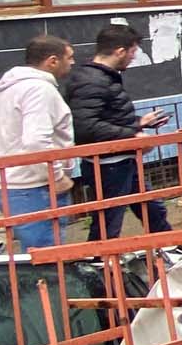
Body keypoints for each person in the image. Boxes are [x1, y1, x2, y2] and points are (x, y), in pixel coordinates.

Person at [65, 24, 170, 239]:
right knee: (108, 222)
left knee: (153, 211)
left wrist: (140, 123)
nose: (133, 58)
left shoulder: (101, 77)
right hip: (108, 165)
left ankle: (171, 251)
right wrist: (133, 134)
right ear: (120, 51)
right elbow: (86, 127)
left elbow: (106, 118)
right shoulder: (92, 81)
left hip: (121, 160)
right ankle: (100, 265)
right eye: (133, 52)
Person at [0, 35, 76, 250]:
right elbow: (35, 142)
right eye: (69, 57)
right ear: (52, 61)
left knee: (36, 254)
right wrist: (56, 177)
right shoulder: (38, 89)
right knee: (47, 256)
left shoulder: (6, 86)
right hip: (30, 184)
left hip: (5, 180)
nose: (72, 63)